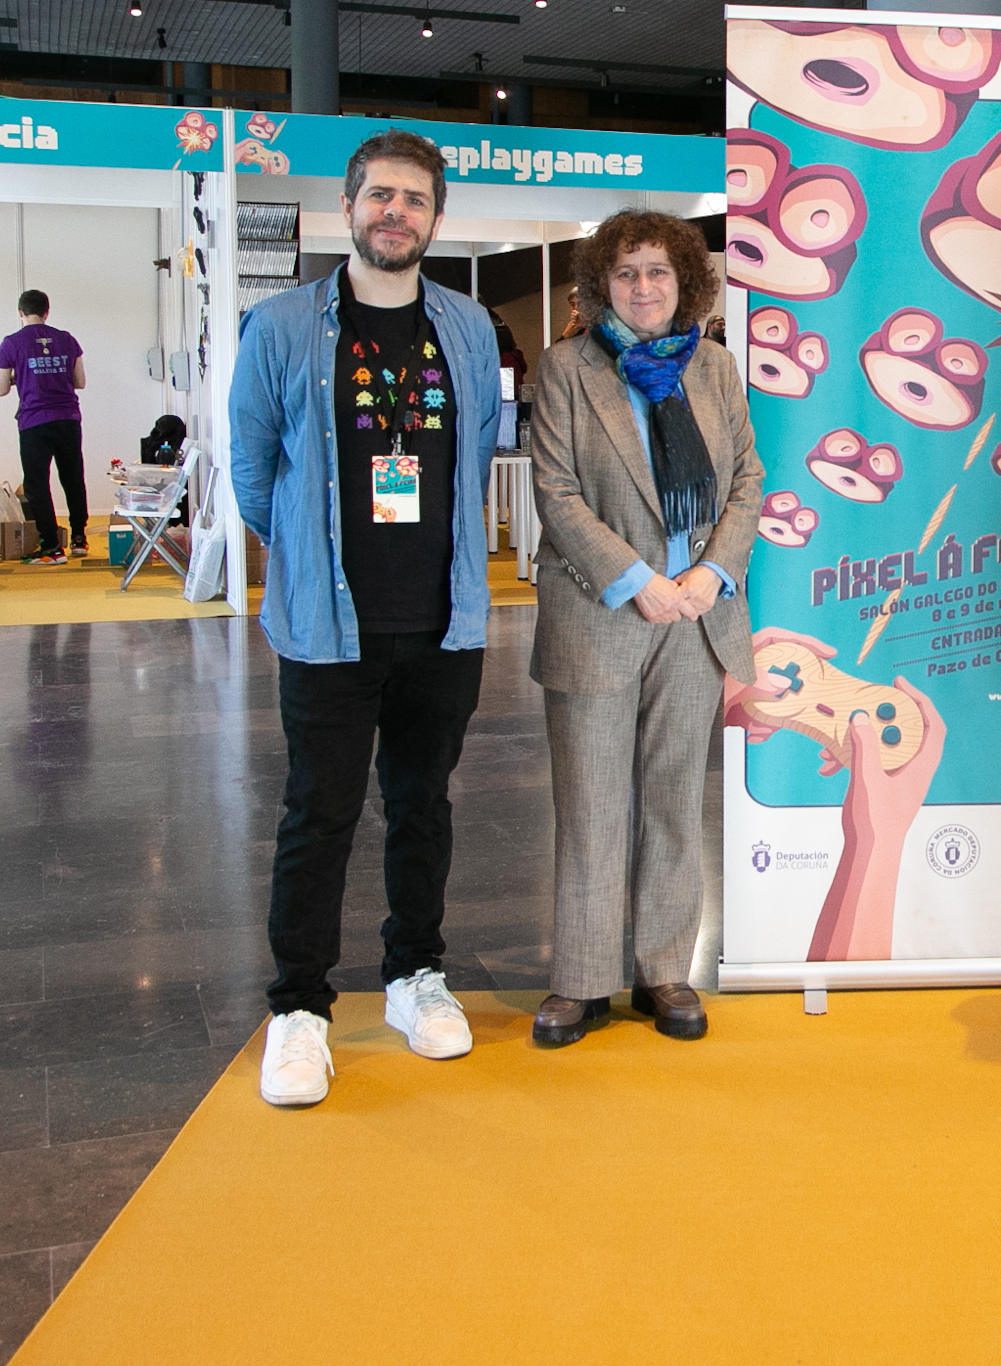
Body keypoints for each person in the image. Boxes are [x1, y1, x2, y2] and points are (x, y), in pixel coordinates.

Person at [229, 130, 500, 1108]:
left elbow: (476, 451)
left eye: (415, 199)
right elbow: (253, 470)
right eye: (380, 195)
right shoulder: (281, 325)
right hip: (327, 625)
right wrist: (305, 553)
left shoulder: (466, 326)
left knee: (423, 806)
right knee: (320, 813)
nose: (396, 212)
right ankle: (299, 1007)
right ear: (346, 207)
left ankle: (413, 974)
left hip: (440, 620)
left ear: (437, 217)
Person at [525, 210, 763, 1047]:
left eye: (659, 271)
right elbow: (555, 493)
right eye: (626, 272)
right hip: (600, 613)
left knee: (672, 801)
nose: (643, 286)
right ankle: (582, 981)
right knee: (590, 806)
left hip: (696, 616)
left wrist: (709, 573)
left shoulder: (715, 368)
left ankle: (664, 969)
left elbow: (748, 481)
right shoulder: (566, 368)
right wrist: (637, 581)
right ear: (601, 285)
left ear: (685, 282)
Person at [0, 290, 88, 563]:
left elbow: (0, 389)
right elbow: (79, 381)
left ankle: (51, 546)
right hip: (68, 419)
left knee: (37, 484)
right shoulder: (67, 339)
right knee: (72, 477)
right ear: (47, 312)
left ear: (20, 312)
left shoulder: (12, 343)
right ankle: (79, 538)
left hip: (34, 421)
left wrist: (16, 377)